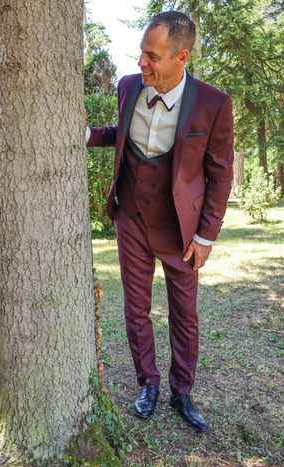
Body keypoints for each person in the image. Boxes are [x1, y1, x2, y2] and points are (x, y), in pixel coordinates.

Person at [86, 11, 233, 432]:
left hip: (180, 229)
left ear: (181, 56)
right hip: (130, 217)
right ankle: (147, 383)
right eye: (140, 53)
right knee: (136, 308)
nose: (140, 63)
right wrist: (87, 134)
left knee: (184, 312)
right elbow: (121, 132)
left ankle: (182, 391)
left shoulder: (213, 103)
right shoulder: (129, 87)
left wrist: (206, 235)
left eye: (152, 56)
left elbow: (220, 174)